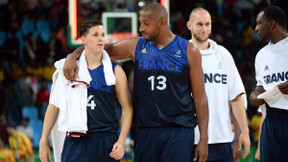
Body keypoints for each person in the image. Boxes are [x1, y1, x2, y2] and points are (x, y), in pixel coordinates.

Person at [64, 3, 209, 162]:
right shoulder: (138, 45)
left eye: (146, 24)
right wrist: (72, 56)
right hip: (145, 131)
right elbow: (98, 49)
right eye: (141, 23)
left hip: (179, 131)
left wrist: (203, 139)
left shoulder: (188, 50)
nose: (141, 28)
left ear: (162, 22)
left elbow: (200, 98)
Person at [39, 20, 133, 162]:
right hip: (76, 141)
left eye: (102, 34)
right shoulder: (68, 69)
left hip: (106, 140)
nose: (101, 38)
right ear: (83, 39)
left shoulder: (115, 71)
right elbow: (54, 106)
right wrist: (43, 140)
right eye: (95, 35)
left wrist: (121, 140)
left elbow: (127, 108)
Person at [186, 7, 250, 162]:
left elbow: (235, 97)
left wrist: (243, 133)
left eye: (208, 24)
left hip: (222, 139)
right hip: (190, 139)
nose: (204, 29)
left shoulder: (223, 54)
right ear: (189, 25)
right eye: (200, 24)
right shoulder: (181, 53)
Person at [250, 6, 288, 162]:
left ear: (272, 23)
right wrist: (255, 94)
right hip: (270, 120)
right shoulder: (261, 55)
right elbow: (261, 85)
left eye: (259, 23)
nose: (256, 28)